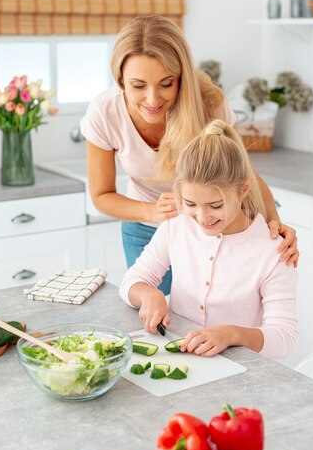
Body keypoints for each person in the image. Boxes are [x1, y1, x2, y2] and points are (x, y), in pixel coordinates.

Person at [80, 15, 298, 295]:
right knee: (153, 319)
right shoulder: (104, 113)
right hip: (145, 230)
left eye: (166, 83)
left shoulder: (208, 104)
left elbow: (245, 174)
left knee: (209, 321)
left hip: (212, 228)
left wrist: (274, 225)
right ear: (120, 79)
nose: (152, 99)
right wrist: (153, 212)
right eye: (138, 85)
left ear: (181, 76)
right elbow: (101, 196)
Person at [119, 120, 297, 359]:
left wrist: (233, 334)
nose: (202, 218)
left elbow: (284, 338)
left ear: (244, 189)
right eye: (190, 203)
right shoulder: (176, 226)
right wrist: (149, 295)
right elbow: (132, 281)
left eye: (216, 205)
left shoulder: (274, 250)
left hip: (240, 370)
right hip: (180, 358)